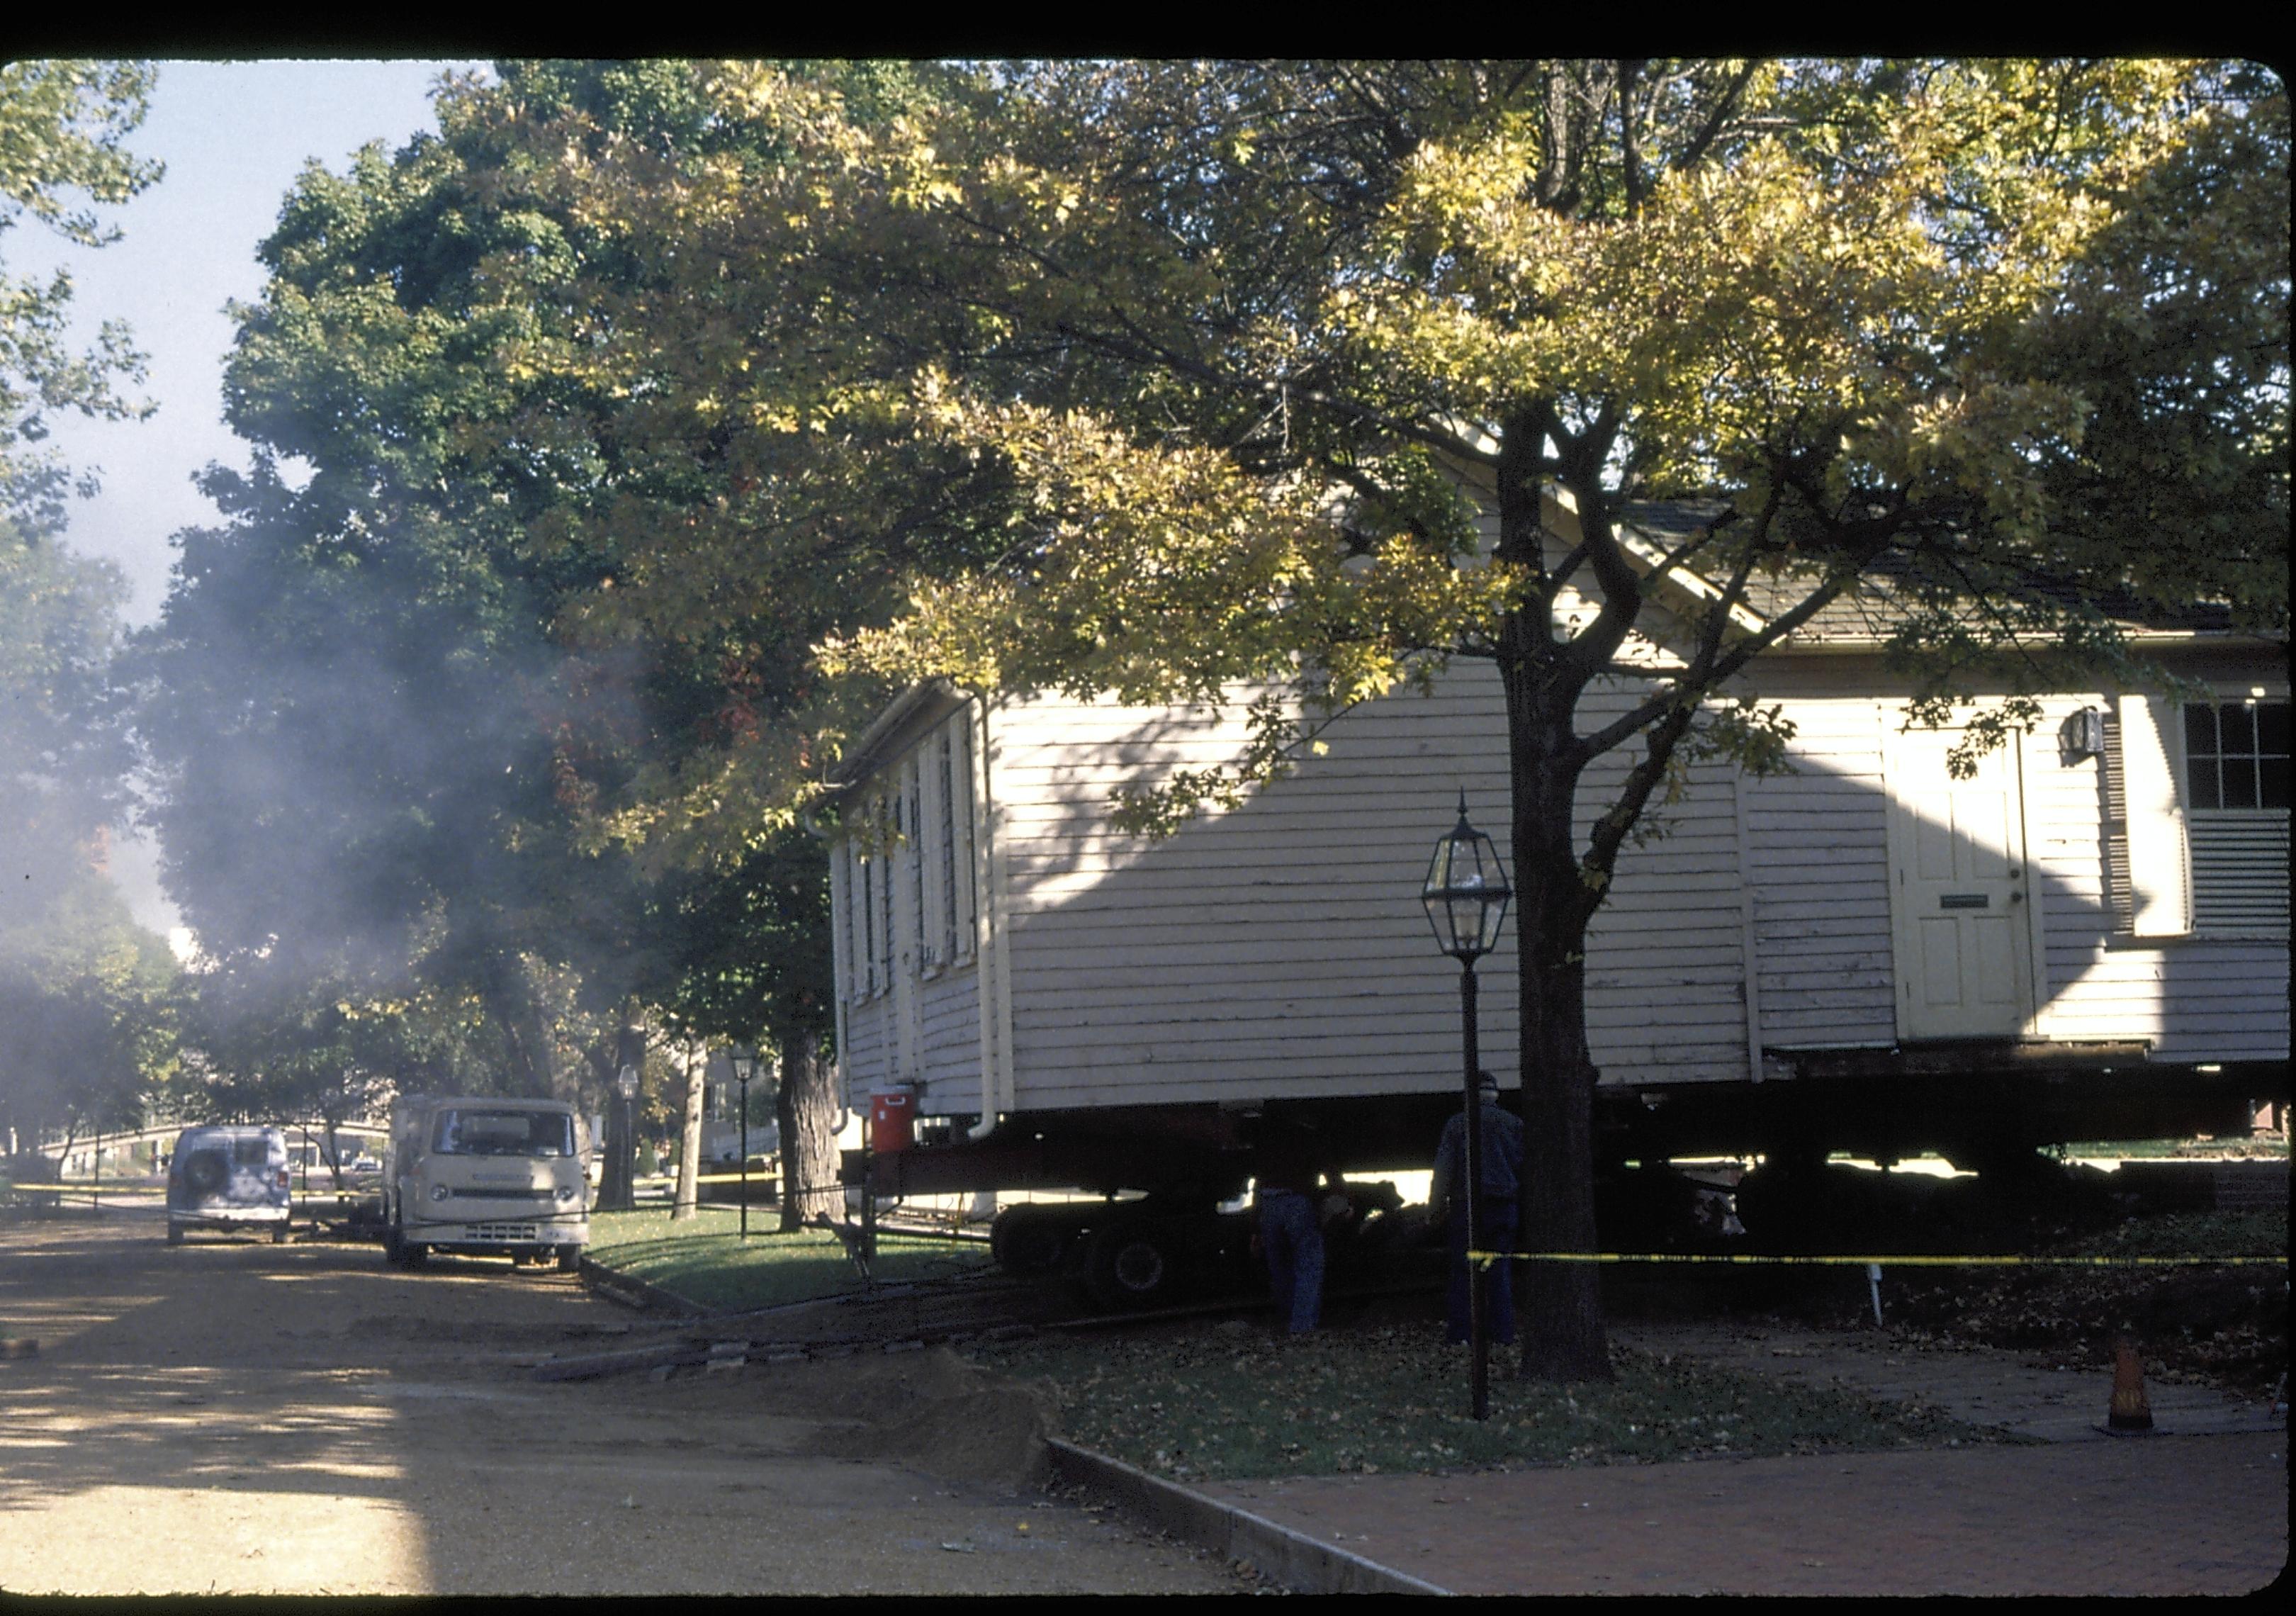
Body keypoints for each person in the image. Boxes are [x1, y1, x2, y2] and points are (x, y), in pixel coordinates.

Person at [1430, 1070, 1526, 1346]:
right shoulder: (1513, 1124)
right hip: (1503, 1205)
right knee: (1499, 1270)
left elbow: (1445, 1169)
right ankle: (1502, 1334)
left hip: (1467, 1206)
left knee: (1463, 1271)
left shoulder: (1457, 1125)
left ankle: (1462, 1334)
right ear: (1495, 1095)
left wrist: (1435, 1207)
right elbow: (1524, 1164)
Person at [1251, 1112, 1344, 1334]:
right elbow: (1331, 1174)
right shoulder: (1310, 1137)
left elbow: (1257, 1180)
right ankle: (1302, 1326)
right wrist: (1342, 1199)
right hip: (1297, 1201)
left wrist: (1255, 1227)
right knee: (1308, 1263)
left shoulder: (1269, 1140)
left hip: (1268, 1201)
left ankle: (1285, 1315)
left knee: (1279, 1265)